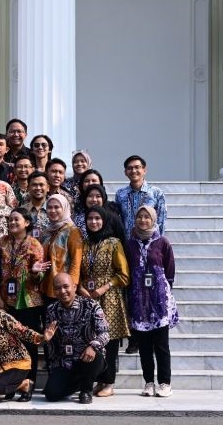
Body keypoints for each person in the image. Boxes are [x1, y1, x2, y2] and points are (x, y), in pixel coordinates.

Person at [0, 207, 49, 400]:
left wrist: (34, 271)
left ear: (27, 222)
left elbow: (40, 277)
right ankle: (11, 385)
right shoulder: (1, 243)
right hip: (7, 301)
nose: (12, 223)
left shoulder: (35, 244)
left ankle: (29, 385)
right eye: (10, 220)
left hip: (29, 303)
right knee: (9, 346)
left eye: (17, 220)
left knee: (29, 345)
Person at [125, 205, 178, 398]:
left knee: (161, 345)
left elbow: (170, 271)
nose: (143, 220)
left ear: (153, 219)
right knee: (145, 347)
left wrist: (164, 294)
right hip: (139, 301)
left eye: (147, 217)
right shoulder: (130, 244)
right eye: (140, 217)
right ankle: (149, 382)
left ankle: (165, 382)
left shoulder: (162, 242)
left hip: (159, 301)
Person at [79, 206, 131, 398]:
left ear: (105, 221)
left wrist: (105, 286)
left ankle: (108, 382)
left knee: (109, 341)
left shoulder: (114, 243)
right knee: (91, 338)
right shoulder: (84, 243)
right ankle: (98, 380)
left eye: (98, 219)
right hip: (87, 298)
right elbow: (78, 271)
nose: (94, 222)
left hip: (109, 298)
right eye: (90, 218)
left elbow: (124, 275)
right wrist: (81, 288)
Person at [43, 273, 109, 404]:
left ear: (74, 286)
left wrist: (93, 346)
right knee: (51, 394)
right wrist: (46, 339)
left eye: (66, 286)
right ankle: (81, 381)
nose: (62, 291)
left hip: (87, 357)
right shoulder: (51, 310)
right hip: (65, 362)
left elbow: (105, 333)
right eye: (57, 288)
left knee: (94, 355)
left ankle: (86, 390)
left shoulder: (91, 305)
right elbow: (49, 341)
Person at [40, 194, 83, 303]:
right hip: (47, 286)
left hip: (64, 290)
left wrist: (72, 286)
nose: (52, 210)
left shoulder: (72, 231)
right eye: (49, 207)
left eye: (57, 207)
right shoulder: (46, 232)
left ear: (64, 208)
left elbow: (76, 261)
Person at [115, 155, 168, 236]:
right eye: (130, 168)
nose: (133, 170)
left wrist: (159, 244)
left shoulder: (156, 193)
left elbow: (161, 222)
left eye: (137, 167)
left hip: (150, 245)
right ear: (125, 172)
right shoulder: (120, 194)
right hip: (128, 244)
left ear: (144, 170)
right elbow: (119, 221)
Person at [21, 172, 50, 239]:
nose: (38, 188)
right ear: (28, 188)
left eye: (41, 185)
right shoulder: (22, 211)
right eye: (34, 185)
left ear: (48, 188)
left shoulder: (54, 210)